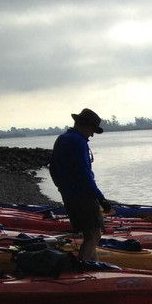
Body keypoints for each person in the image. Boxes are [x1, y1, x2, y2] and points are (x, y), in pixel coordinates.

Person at [48, 108, 114, 261]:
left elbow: (52, 168)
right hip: (83, 196)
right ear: (86, 125)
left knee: (90, 234)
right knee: (94, 235)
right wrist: (101, 198)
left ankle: (93, 266)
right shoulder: (78, 141)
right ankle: (83, 268)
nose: (91, 135)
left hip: (70, 195)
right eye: (92, 130)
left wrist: (62, 188)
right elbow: (85, 175)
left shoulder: (63, 138)